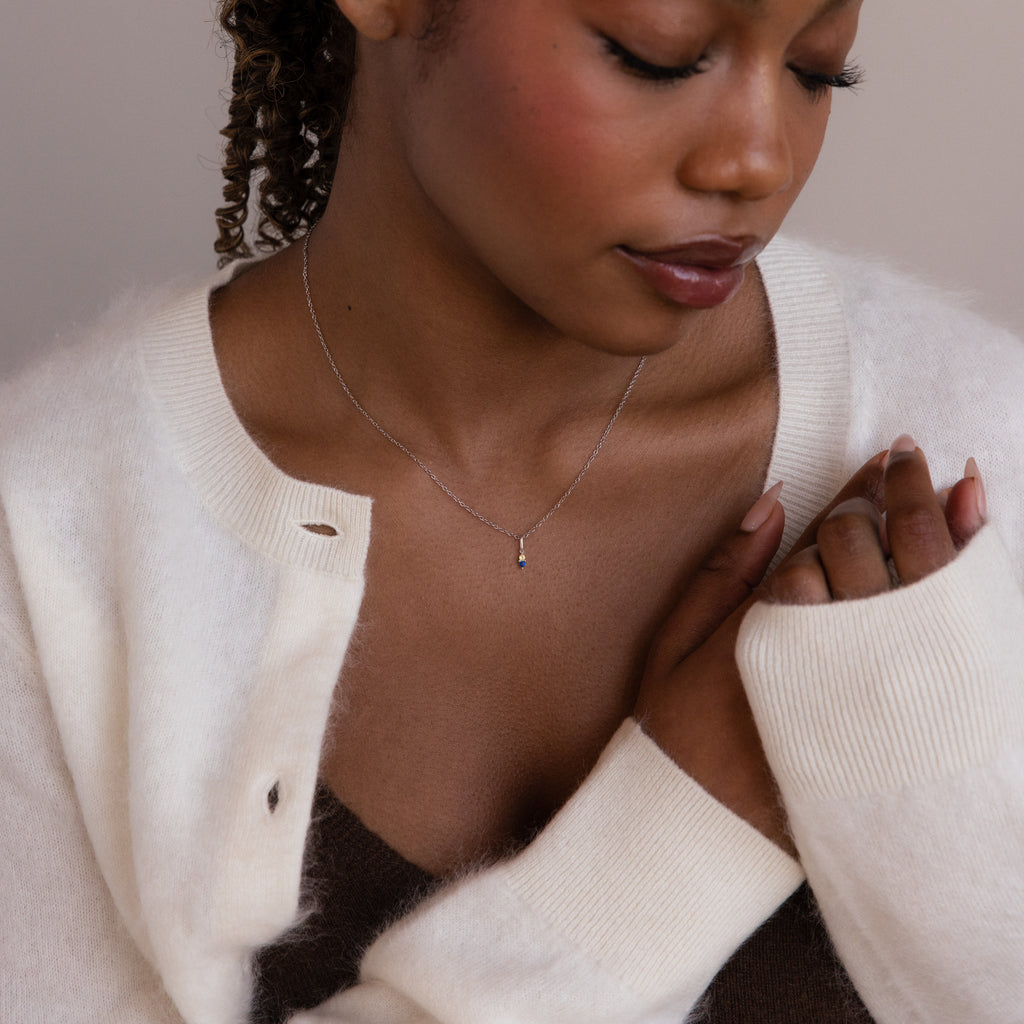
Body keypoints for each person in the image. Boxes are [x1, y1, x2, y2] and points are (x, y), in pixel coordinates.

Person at [2, 0, 1023, 1022]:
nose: (755, 162)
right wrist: (672, 842)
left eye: (815, 71)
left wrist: (939, 811)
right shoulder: (46, 536)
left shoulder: (974, 435)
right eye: (654, 57)